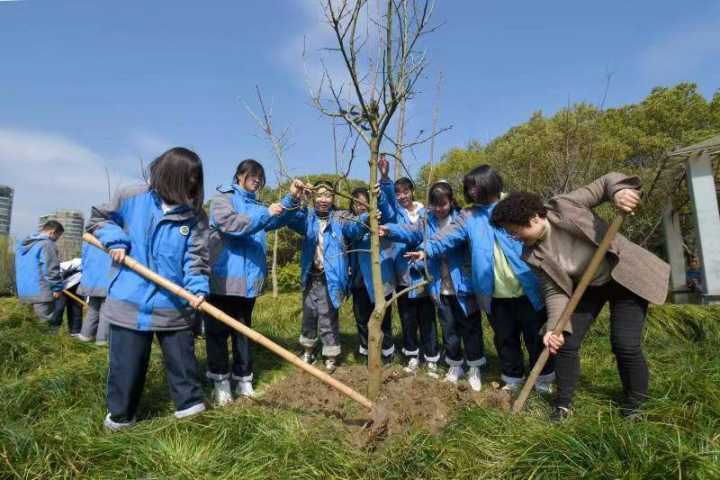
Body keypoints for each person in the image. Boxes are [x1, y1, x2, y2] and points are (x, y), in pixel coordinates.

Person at [491, 172, 670, 421]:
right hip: (590, 288)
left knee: (624, 344)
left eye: (514, 231)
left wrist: (619, 192)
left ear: (533, 218)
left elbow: (606, 182)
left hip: (623, 277)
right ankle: (563, 406)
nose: (514, 238)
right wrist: (555, 328)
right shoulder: (531, 254)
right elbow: (554, 291)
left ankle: (635, 405)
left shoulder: (564, 205)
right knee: (565, 341)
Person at [87, 147, 209, 431]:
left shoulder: (195, 216)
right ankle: (120, 420)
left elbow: (197, 259)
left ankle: (192, 418)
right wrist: (116, 240)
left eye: (196, 180)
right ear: (170, 175)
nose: (192, 185)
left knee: (184, 367)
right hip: (130, 300)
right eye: (187, 179)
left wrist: (198, 289)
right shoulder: (131, 196)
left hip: (174, 305)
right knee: (126, 369)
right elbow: (99, 220)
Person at [205, 159, 293, 405]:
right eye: (252, 176)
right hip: (222, 280)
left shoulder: (258, 205)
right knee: (218, 333)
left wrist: (291, 199)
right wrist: (266, 213)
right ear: (239, 176)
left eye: (259, 178)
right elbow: (231, 225)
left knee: (243, 332)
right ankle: (220, 383)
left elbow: (275, 219)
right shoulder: (223, 199)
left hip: (248, 282)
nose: (256, 181)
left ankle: (244, 380)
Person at [381, 181, 480, 385]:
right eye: (435, 205)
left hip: (463, 284)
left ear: (451, 201)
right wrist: (389, 229)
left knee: (470, 327)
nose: (439, 209)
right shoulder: (427, 221)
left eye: (443, 204)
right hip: (440, 285)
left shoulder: (462, 219)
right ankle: (455, 365)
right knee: (449, 328)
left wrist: (426, 250)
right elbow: (409, 231)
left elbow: (450, 240)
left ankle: (474, 367)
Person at [283, 177, 380, 373]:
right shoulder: (308, 217)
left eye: (328, 195)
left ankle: (330, 354)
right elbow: (291, 220)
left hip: (331, 277)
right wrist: (298, 199)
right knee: (309, 315)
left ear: (333, 197)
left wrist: (367, 216)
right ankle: (309, 350)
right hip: (311, 276)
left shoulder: (340, 217)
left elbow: (354, 228)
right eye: (319, 195)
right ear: (313, 198)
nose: (323, 199)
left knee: (328, 316)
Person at [347, 155, 397, 363]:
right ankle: (366, 351)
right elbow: (350, 231)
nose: (360, 206)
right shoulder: (349, 221)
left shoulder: (380, 220)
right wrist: (364, 218)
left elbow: (389, 212)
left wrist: (383, 187)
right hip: (358, 280)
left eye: (364, 202)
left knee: (382, 318)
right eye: (356, 203)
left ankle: (386, 351)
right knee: (361, 318)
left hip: (380, 279)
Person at [390, 176, 440, 374]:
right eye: (398, 193)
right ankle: (412, 354)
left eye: (405, 191)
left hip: (423, 274)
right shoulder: (395, 214)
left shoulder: (426, 213)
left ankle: (431, 357)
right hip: (403, 275)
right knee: (407, 318)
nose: (402, 196)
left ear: (412, 191)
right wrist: (385, 178)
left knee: (427, 319)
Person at [15, 220, 66, 326]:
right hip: (41, 292)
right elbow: (51, 268)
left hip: (24, 292)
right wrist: (57, 288)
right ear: (52, 232)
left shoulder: (22, 246)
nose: (57, 240)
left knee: (28, 325)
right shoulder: (47, 244)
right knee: (44, 326)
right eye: (58, 236)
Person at [77, 241, 112, 345]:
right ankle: (102, 341)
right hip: (108, 281)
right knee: (106, 312)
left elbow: (83, 261)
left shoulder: (89, 240)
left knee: (93, 310)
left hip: (91, 280)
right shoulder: (116, 237)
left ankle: (85, 336)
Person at [59, 257, 83, 337]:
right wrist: (56, 285)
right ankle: (55, 331)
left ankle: (75, 332)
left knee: (76, 308)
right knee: (59, 308)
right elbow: (57, 269)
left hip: (77, 285)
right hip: (61, 287)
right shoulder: (79, 262)